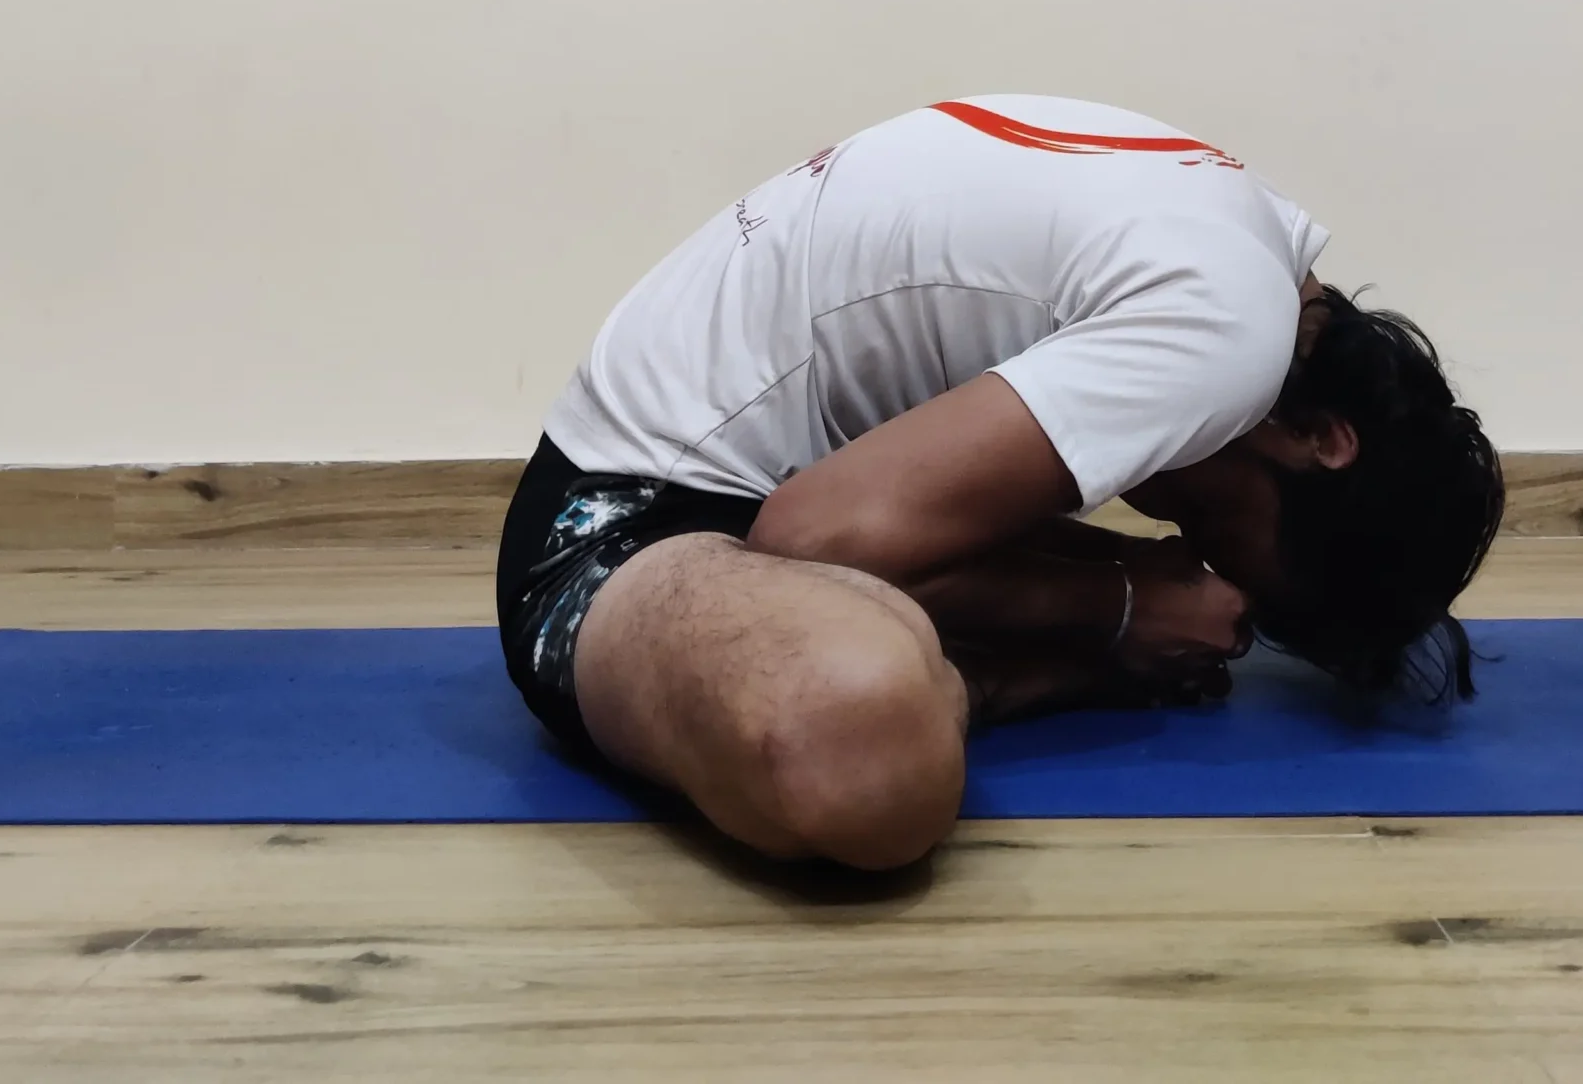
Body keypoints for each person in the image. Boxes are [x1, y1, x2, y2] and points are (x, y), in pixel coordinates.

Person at [496, 96, 1503, 869]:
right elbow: (803, 540)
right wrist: (1115, 606)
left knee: (932, 597)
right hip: (614, 544)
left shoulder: (1251, 231)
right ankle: (986, 682)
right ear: (1323, 441)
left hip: (726, 490)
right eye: (1232, 545)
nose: (1196, 544)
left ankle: (979, 666)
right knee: (870, 755)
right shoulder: (1232, 330)